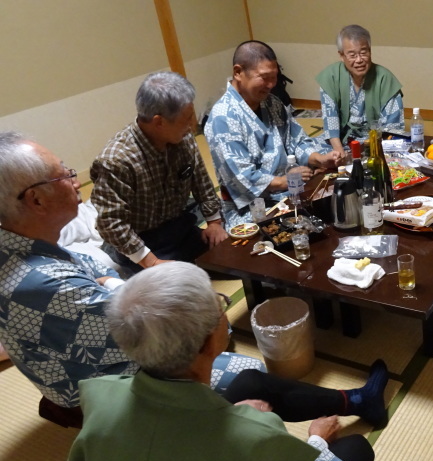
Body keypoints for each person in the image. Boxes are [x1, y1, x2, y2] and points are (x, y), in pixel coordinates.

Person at [0, 133, 389, 430]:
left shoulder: (22, 246)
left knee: (214, 333)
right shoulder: (42, 284)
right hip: (99, 391)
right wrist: (206, 308)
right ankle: (356, 401)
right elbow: (149, 325)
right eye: (66, 175)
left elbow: (99, 272)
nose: (74, 181)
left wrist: (111, 284)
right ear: (35, 200)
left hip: (97, 351)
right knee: (244, 373)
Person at [67, 262, 385, 461]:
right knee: (356, 449)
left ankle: (355, 399)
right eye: (221, 305)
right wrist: (317, 441)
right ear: (208, 341)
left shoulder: (101, 394)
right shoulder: (251, 435)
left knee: (248, 382)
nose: (224, 309)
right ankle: (353, 406)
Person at [90, 72, 226, 274]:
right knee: (181, 290)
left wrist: (214, 223)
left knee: (234, 258)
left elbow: (201, 182)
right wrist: (152, 262)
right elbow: (111, 223)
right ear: (159, 122)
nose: (192, 126)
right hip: (141, 243)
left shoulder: (183, 138)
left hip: (180, 228)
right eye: (186, 119)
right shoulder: (117, 160)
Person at [205, 40, 342, 227]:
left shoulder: (272, 103)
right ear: (238, 72)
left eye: (274, 77)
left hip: (289, 190)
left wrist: (319, 159)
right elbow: (242, 177)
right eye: (264, 77)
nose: (271, 85)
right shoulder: (223, 118)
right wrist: (283, 181)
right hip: (251, 207)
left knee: (338, 203)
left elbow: (297, 141)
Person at [316, 25, 404, 156]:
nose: (359, 60)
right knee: (309, 150)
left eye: (363, 53)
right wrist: (339, 154)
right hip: (341, 140)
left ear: (370, 51)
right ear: (341, 55)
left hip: (375, 141)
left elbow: (392, 129)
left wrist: (372, 149)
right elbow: (331, 122)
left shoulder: (385, 79)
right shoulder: (331, 77)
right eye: (352, 55)